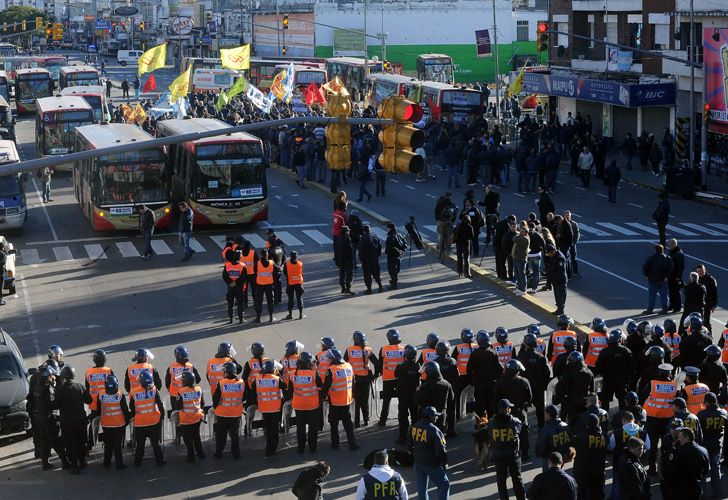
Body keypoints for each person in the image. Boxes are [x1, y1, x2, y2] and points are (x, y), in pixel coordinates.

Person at [640, 362, 676, 474]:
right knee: (667, 445)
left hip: (652, 419)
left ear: (659, 373)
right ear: (669, 374)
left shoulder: (652, 384)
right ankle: (665, 468)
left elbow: (643, 396)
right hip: (668, 420)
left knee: (653, 445)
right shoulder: (674, 385)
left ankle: (652, 468)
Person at [55, 365, 91, 474]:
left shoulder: (60, 390)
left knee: (70, 444)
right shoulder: (80, 387)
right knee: (81, 441)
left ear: (64, 377)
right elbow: (89, 400)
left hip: (67, 422)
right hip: (80, 421)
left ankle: (74, 466)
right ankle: (82, 462)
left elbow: (55, 404)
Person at [488, 398, 526, 500]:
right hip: (512, 455)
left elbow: (489, 434)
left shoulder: (491, 423)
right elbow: (520, 428)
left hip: (498, 455)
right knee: (517, 478)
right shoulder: (515, 422)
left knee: (501, 481)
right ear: (507, 409)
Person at [409, 406, 450, 500]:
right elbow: (440, 449)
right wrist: (444, 462)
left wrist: (415, 455)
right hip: (431, 464)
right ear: (430, 417)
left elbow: (409, 444)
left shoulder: (414, 427)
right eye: (435, 416)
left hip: (418, 462)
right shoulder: (434, 430)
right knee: (444, 484)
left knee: (422, 488)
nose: (437, 417)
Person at [495, 360, 533, 458]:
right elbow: (529, 397)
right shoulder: (524, 381)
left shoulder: (501, 382)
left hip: (505, 412)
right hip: (520, 411)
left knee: (504, 432)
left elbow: (496, 397)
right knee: (523, 431)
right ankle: (525, 453)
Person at [322, 348, 358, 450]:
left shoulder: (331, 370)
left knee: (334, 425)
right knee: (348, 424)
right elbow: (353, 382)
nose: (328, 360)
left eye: (329, 359)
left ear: (333, 359)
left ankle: (335, 444)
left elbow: (326, 386)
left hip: (335, 402)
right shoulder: (348, 366)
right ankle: (352, 444)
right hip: (346, 401)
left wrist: (322, 397)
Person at [129, 370, 165, 466]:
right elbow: (160, 405)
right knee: (155, 444)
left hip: (140, 423)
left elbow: (131, 407)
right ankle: (159, 461)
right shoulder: (154, 390)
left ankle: (138, 462)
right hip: (154, 422)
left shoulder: (134, 392)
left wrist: (134, 416)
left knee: (140, 445)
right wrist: (162, 416)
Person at [345, 331, 380, 427]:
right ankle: (366, 420)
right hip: (365, 379)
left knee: (356, 401)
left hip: (354, 380)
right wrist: (375, 375)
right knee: (365, 401)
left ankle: (356, 422)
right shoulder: (367, 350)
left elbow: (344, 364)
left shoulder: (349, 350)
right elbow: (377, 363)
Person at [165, 345, 201, 438]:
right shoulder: (190, 366)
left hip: (174, 395)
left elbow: (167, 381)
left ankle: (178, 434)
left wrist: (171, 390)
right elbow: (198, 379)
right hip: (189, 394)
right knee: (189, 412)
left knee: (177, 414)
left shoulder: (171, 367)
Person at [251, 360, 285, 456]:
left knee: (268, 429)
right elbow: (285, 386)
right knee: (274, 429)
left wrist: (257, 402)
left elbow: (253, 391)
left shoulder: (257, 379)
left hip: (264, 408)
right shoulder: (276, 379)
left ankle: (268, 447)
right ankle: (273, 449)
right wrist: (278, 375)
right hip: (275, 408)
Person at [517, 331, 551, 429]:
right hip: (538, 387)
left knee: (523, 408)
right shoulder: (541, 357)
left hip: (525, 388)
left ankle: (524, 426)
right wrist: (543, 385)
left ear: (525, 344)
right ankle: (541, 426)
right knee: (540, 409)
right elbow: (547, 374)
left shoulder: (522, 357)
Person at [697, 392, 727, 498]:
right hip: (717, 445)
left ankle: (702, 493)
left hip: (704, 446)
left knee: (703, 471)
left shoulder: (702, 414)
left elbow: (697, 430)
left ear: (707, 402)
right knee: (716, 469)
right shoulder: (724, 413)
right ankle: (717, 493)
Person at [467, 330, 503, 418]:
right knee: (491, 408)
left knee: (480, 409)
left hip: (479, 385)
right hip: (492, 385)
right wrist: (498, 380)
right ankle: (491, 427)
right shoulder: (493, 353)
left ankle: (480, 428)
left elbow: (469, 369)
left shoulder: (475, 354)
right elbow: (500, 369)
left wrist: (473, 381)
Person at [290, 351, 322, 453]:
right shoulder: (313, 373)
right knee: (313, 427)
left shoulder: (293, 374)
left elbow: (290, 389)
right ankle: (312, 447)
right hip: (312, 405)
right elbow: (320, 386)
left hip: (299, 405)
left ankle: (301, 448)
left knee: (300, 427)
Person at [96, 375, 129, 470]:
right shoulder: (120, 395)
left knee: (108, 445)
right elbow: (125, 410)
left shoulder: (101, 395)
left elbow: (99, 410)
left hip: (106, 425)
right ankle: (119, 464)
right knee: (117, 446)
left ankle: (107, 463)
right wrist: (126, 421)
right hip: (119, 425)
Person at [212, 362, 244, 459]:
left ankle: (218, 453)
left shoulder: (221, 383)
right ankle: (236, 454)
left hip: (222, 414)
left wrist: (215, 408)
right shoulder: (241, 383)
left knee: (221, 436)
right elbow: (245, 396)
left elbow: (215, 398)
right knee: (234, 436)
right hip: (235, 414)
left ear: (225, 372)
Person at [572, 414, 607, 500]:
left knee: (581, 494)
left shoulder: (580, 437)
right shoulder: (605, 437)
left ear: (587, 424)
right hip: (599, 471)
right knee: (597, 494)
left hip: (583, 471)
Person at [415, 362, 454, 435]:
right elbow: (451, 399)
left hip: (428, 417)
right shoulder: (446, 384)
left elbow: (418, 400)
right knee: (440, 437)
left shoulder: (425, 386)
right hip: (441, 415)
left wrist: (417, 391)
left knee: (427, 439)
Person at [177, 371, 206, 462]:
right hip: (197, 418)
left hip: (186, 419)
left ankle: (191, 456)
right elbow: (202, 404)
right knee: (196, 436)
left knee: (188, 439)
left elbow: (178, 406)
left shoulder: (181, 391)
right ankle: (200, 454)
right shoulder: (198, 389)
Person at [535, 405, 573, 472]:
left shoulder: (545, 430)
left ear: (548, 414)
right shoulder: (565, 426)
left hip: (550, 460)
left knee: (548, 478)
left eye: (545, 413)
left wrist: (539, 453)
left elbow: (541, 448)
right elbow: (571, 442)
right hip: (562, 458)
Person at [395, 344, 420, 444]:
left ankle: (403, 438)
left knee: (403, 418)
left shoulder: (401, 366)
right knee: (415, 417)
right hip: (414, 396)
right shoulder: (418, 366)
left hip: (403, 396)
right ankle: (415, 438)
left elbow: (396, 374)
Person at [641, 243, 673, 315]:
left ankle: (650, 309)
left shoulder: (651, 258)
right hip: (663, 279)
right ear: (663, 250)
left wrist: (646, 275)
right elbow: (671, 268)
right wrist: (667, 277)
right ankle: (665, 309)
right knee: (664, 295)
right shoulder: (667, 258)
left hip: (653, 279)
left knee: (652, 295)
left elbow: (645, 267)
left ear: (656, 250)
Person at [222, 250, 247, 324]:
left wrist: (230, 283)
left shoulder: (227, 265)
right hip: (239, 287)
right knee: (240, 303)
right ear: (240, 256)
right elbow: (244, 277)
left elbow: (224, 276)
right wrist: (236, 282)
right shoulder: (242, 265)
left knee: (230, 303)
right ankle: (241, 319)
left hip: (230, 287)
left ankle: (231, 319)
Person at [358, 225, 384, 294]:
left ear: (364, 231)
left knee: (367, 275)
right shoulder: (375, 237)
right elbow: (379, 247)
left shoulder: (363, 239)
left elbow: (361, 251)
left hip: (367, 260)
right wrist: (377, 255)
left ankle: (369, 289)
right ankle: (380, 286)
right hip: (375, 258)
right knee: (376, 273)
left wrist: (361, 259)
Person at [254, 248, 276, 323]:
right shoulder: (271, 262)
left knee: (259, 301)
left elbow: (254, 271)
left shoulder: (258, 263)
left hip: (260, 285)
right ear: (267, 255)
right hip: (269, 285)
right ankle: (271, 317)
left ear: (261, 255)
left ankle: (258, 318)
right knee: (270, 301)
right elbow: (276, 271)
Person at [545, 244, 568, 315]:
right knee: (557, 295)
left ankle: (561, 310)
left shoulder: (560, 257)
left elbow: (559, 271)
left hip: (560, 280)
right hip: (555, 280)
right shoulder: (553, 256)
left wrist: (554, 279)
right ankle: (558, 308)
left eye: (549, 253)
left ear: (553, 251)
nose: (549, 255)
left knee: (561, 295)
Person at [696, 264, 718, 334]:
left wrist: (714, 305)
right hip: (698, 304)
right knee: (697, 321)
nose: (700, 272)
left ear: (705, 270)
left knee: (706, 322)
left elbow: (715, 293)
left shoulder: (711, 279)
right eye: (698, 271)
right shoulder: (696, 279)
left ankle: (709, 337)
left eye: (701, 270)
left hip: (707, 304)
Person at [434, 192, 457, 258]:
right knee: (449, 235)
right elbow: (454, 213)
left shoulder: (439, 202)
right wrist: (452, 221)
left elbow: (436, 211)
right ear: (450, 196)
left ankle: (440, 248)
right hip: (448, 222)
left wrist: (437, 220)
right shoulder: (451, 204)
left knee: (441, 234)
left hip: (440, 221)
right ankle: (448, 249)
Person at [284, 250, 305, 320]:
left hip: (290, 284)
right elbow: (301, 272)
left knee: (290, 299)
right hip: (299, 283)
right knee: (299, 298)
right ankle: (301, 314)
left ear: (290, 257)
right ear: (296, 257)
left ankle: (290, 315)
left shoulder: (287, 264)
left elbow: (285, 272)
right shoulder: (300, 263)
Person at [385, 223, 407, 290]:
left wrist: (398, 251)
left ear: (390, 228)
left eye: (387, 228)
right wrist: (402, 250)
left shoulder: (391, 236)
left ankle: (394, 284)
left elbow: (391, 247)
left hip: (392, 255)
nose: (387, 229)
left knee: (391, 270)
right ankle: (394, 280)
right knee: (396, 268)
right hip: (398, 255)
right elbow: (404, 242)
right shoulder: (399, 234)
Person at [335, 226, 356, 295]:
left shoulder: (339, 238)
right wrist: (351, 261)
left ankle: (343, 288)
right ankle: (348, 288)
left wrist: (337, 260)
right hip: (347, 260)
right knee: (349, 274)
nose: (349, 232)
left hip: (340, 260)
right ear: (346, 232)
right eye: (348, 231)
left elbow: (336, 250)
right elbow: (349, 251)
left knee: (342, 274)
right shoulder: (347, 239)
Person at [511, 223, 529, 295]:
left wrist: (517, 235)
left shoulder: (525, 239)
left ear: (526, 233)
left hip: (521, 259)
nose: (520, 232)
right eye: (520, 231)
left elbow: (514, 238)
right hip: (516, 258)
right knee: (517, 273)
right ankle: (519, 287)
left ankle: (523, 289)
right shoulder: (521, 237)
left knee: (521, 274)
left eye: (522, 231)